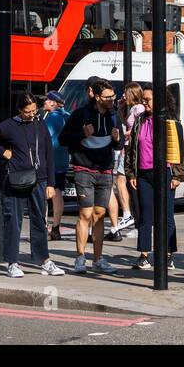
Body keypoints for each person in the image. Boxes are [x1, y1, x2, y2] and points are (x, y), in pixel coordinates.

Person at [0, 94, 65, 278]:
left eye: (34, 110)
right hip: (16, 179)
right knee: (13, 220)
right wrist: (3, 152)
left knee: (39, 221)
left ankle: (44, 260)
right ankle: (13, 262)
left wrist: (51, 183)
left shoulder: (40, 124)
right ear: (20, 110)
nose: (32, 114)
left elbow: (49, 155)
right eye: (27, 112)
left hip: (39, 179)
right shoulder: (10, 125)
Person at [59, 78, 120, 274]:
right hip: (84, 169)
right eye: (107, 97)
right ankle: (80, 257)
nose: (111, 100)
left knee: (100, 215)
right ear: (96, 96)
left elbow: (117, 146)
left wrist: (118, 141)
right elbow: (63, 139)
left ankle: (98, 259)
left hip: (105, 170)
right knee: (85, 214)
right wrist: (81, 135)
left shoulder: (114, 116)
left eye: (113, 96)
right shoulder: (80, 115)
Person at [125, 86, 184, 270]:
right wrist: (131, 173)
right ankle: (143, 255)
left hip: (165, 173)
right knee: (144, 215)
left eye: (148, 99)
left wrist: (177, 175)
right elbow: (132, 149)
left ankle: (168, 254)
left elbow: (178, 150)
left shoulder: (170, 122)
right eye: (143, 99)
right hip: (143, 174)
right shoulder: (139, 121)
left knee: (166, 215)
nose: (144, 102)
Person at [110, 83, 144, 239]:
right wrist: (121, 107)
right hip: (126, 148)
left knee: (121, 180)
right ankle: (129, 214)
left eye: (125, 93)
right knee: (121, 180)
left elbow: (138, 128)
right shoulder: (131, 108)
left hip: (131, 149)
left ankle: (128, 214)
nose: (123, 95)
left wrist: (124, 135)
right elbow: (123, 122)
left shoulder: (139, 109)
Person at [41, 91, 71, 240]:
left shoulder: (51, 119)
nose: (44, 102)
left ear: (53, 103)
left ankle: (44, 227)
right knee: (58, 192)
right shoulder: (67, 115)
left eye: (47, 100)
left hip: (49, 160)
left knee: (45, 194)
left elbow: (43, 140)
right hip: (63, 159)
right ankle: (56, 227)